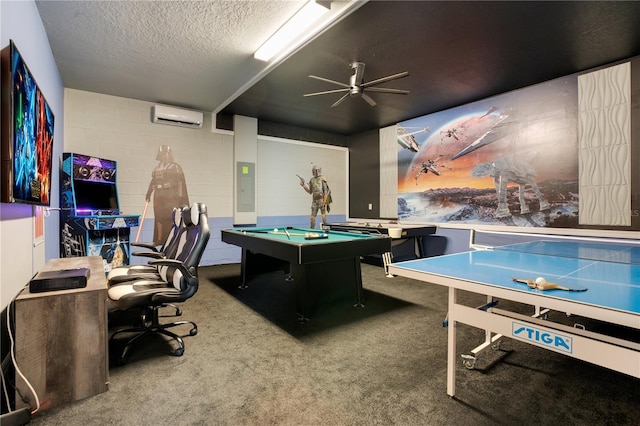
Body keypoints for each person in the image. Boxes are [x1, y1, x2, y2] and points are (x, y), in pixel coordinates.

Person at [145, 145, 189, 245]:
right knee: (159, 217)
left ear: (170, 155)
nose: (164, 156)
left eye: (166, 154)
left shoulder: (175, 167)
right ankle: (160, 239)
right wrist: (149, 193)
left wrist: (165, 186)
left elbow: (178, 182)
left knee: (170, 217)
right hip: (159, 197)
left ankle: (171, 239)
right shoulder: (157, 167)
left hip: (171, 197)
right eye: (162, 155)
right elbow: (153, 181)